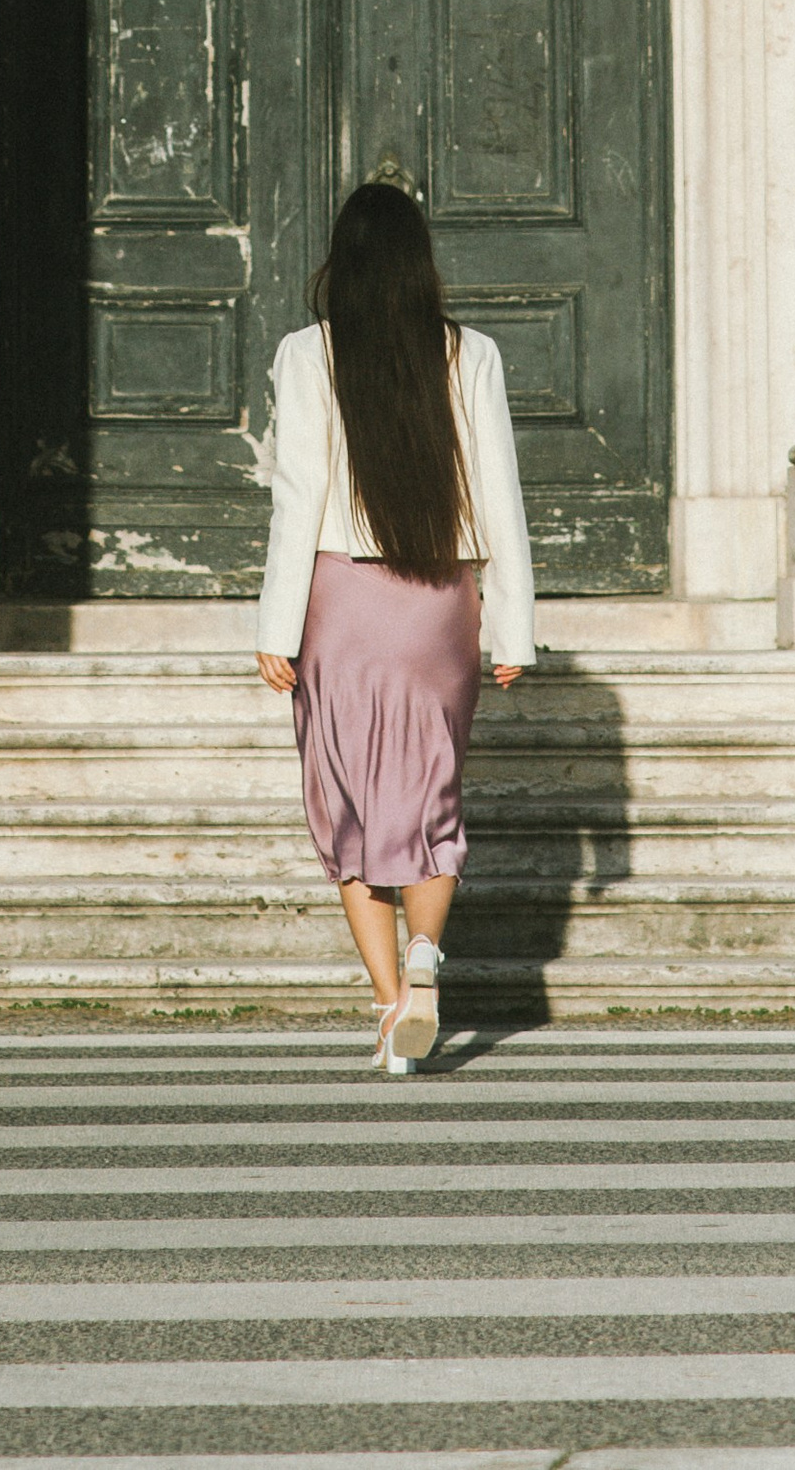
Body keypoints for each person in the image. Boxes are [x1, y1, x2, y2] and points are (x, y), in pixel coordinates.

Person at [254, 170, 535, 1075]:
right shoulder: (471, 353)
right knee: (432, 795)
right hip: (439, 600)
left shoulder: (308, 354)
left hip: (342, 600)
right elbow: (501, 495)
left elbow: (297, 499)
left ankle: (390, 1008)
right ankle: (426, 960)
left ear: (343, 265)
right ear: (421, 267)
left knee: (347, 805)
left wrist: (276, 624)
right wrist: (514, 628)